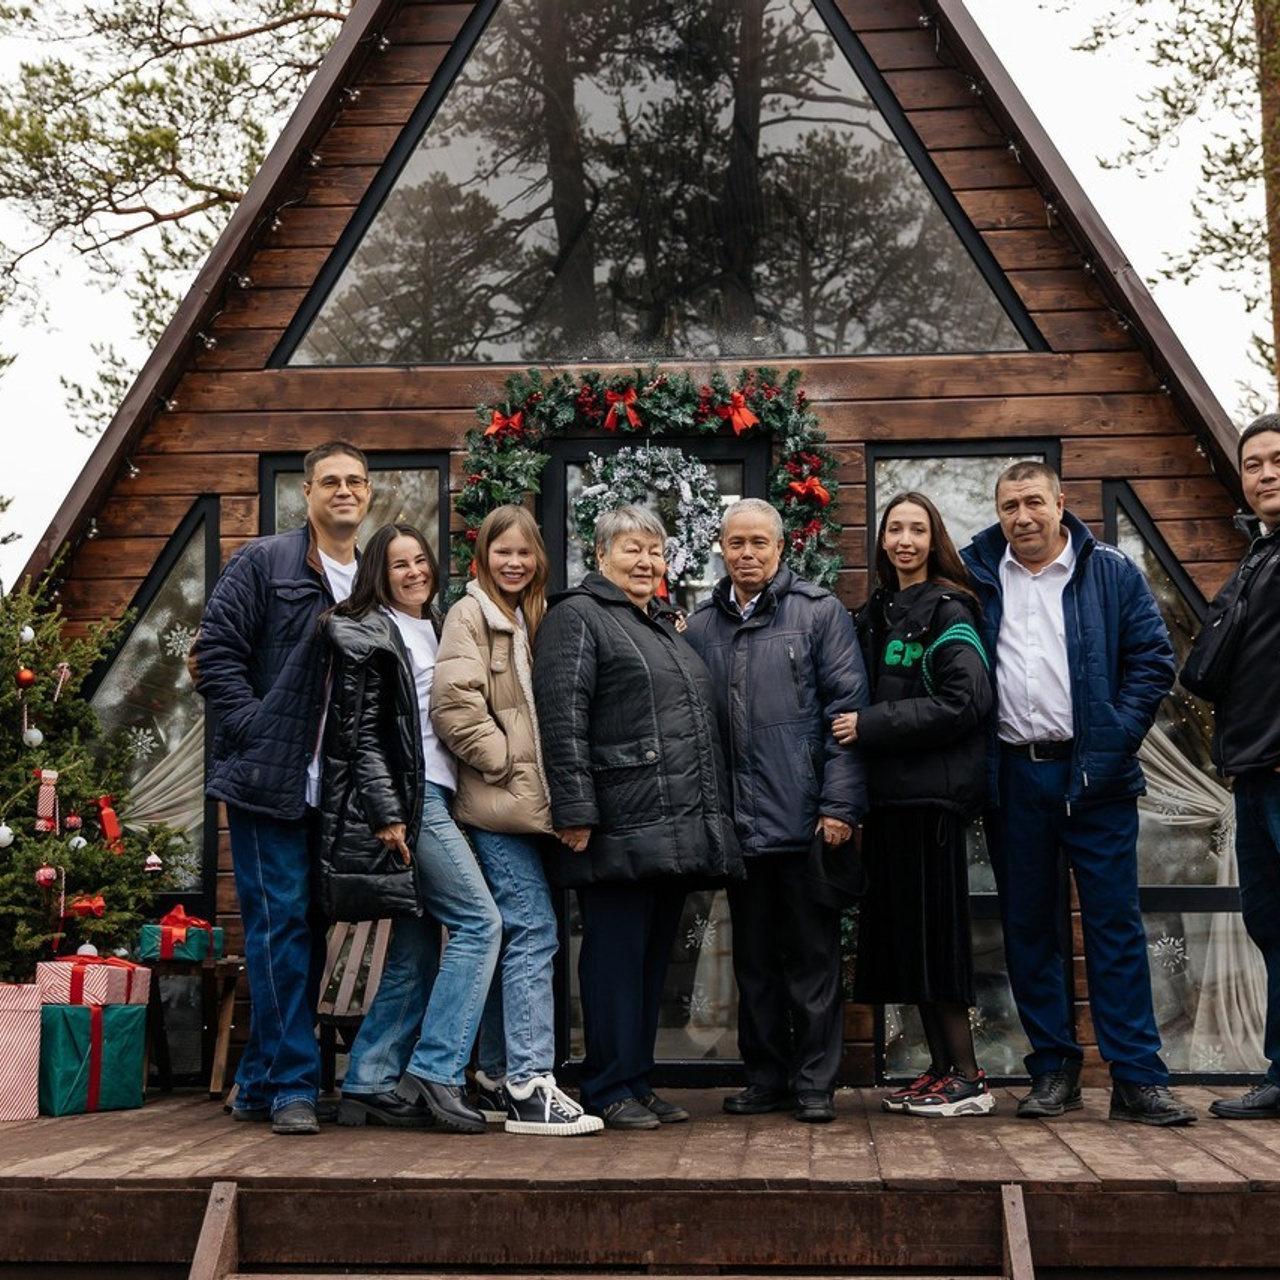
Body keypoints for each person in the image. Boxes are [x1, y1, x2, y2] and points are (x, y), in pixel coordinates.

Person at [962, 460, 1195, 1126]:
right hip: (1014, 777)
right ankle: (1055, 1070)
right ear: (999, 512)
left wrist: (1113, 736)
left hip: (1097, 776)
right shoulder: (981, 578)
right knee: (1030, 931)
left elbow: (1153, 661)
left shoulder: (1111, 573)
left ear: (1060, 503)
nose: (1022, 517)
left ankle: (1137, 1079)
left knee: (1114, 928)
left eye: (1034, 502)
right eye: (1009, 506)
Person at [533, 504, 742, 1131]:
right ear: (600, 557)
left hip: (672, 822)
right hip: (616, 819)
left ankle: (636, 1078)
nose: (647, 561)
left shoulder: (659, 626)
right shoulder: (579, 616)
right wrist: (574, 807)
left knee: (649, 959)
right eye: (632, 549)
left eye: (656, 550)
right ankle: (605, 1085)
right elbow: (561, 714)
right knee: (614, 958)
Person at [193, 440, 370, 1135]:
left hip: (340, 789)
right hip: (270, 782)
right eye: (331, 481)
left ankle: (263, 1075)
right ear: (308, 493)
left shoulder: (374, 575)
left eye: (356, 481)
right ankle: (295, 1085)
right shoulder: (264, 563)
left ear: (370, 494)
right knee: (280, 927)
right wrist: (253, 727)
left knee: (310, 931)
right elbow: (215, 651)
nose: (344, 491)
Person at [685, 497, 868, 1124]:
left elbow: (845, 717)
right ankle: (765, 1077)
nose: (747, 554)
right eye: (736, 543)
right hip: (737, 829)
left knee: (813, 963)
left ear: (780, 548)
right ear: (721, 548)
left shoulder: (818, 614)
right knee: (756, 965)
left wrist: (839, 804)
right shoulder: (701, 625)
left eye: (759, 543)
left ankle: (815, 1082)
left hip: (806, 821)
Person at [321, 522, 501, 1134]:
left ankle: (369, 1079)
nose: (415, 572)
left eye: (421, 560)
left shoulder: (438, 623)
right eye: (400, 564)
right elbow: (360, 734)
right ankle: (438, 1070)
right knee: (480, 923)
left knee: (418, 947)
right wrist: (388, 812)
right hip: (411, 799)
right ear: (379, 572)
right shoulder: (371, 631)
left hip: (443, 797)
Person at [431, 505, 602, 1136]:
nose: (514, 561)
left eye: (524, 552)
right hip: (494, 809)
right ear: (482, 558)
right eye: (502, 551)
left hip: (525, 811)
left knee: (518, 930)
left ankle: (498, 1072)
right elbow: (453, 706)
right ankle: (532, 1083)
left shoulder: (530, 619)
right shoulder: (470, 614)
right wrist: (503, 764)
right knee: (532, 929)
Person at [834, 493, 994, 1117]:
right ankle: (939, 1069)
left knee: (939, 942)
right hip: (891, 804)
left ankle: (970, 1078)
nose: (904, 539)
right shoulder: (876, 612)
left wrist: (872, 725)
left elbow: (966, 701)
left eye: (917, 529)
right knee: (912, 945)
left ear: (934, 540)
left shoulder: (950, 609)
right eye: (894, 528)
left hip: (932, 804)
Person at [1181, 416, 1280, 1119]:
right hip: (1253, 770)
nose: (1267, 473)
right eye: (1254, 465)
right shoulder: (1260, 558)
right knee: (1270, 926)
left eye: (1279, 460)